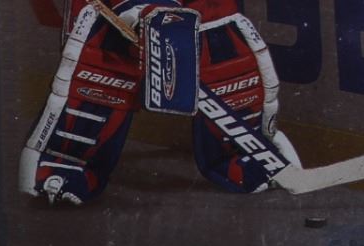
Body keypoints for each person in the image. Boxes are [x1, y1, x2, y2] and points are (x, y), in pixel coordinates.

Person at [20, 0, 299, 204]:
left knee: (225, 48)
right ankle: (65, 160)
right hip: (118, 13)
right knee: (104, 67)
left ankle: (245, 154)